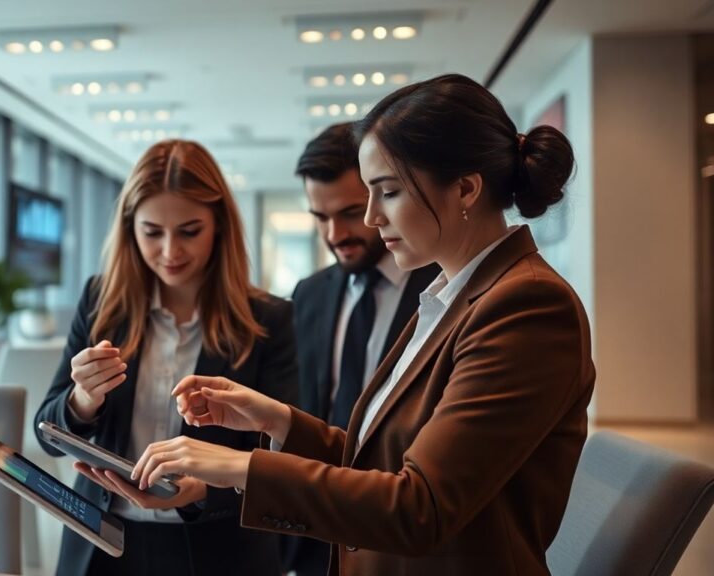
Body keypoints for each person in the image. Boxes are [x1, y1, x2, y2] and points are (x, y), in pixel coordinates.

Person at [129, 74, 596, 575]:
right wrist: (276, 420)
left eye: (387, 192)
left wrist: (240, 466)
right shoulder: (455, 295)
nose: (372, 218)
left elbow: (420, 506)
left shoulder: (526, 305)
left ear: (465, 188)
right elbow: (384, 461)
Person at [34, 139, 298, 576]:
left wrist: (203, 491)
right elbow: (46, 434)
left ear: (219, 226)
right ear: (129, 228)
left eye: (189, 231)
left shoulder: (269, 320)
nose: (170, 251)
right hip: (101, 546)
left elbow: (285, 468)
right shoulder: (101, 302)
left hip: (218, 552)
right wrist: (82, 399)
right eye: (152, 232)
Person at [287, 123, 439, 576]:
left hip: (400, 535)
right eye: (319, 217)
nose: (336, 233)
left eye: (351, 212)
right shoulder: (308, 294)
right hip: (313, 534)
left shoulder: (441, 291)